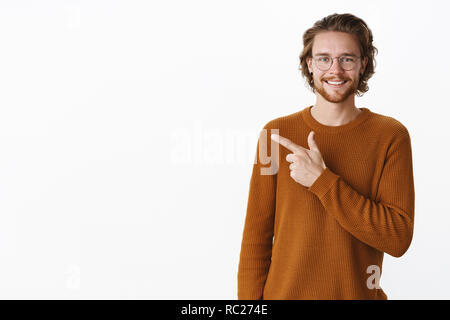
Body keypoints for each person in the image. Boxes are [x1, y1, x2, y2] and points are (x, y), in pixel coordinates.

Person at [237, 12, 415, 300]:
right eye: (323, 59)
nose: (335, 70)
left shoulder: (391, 136)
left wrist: (322, 180)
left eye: (347, 58)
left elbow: (397, 238)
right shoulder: (274, 135)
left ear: (363, 64)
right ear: (309, 64)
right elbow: (255, 240)